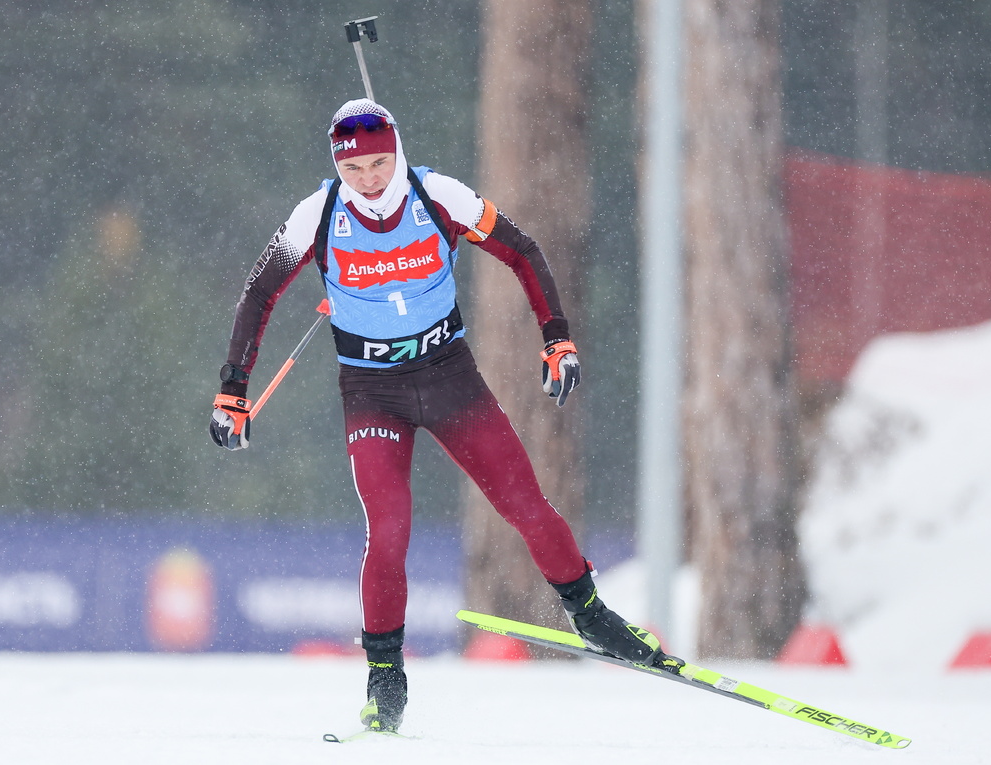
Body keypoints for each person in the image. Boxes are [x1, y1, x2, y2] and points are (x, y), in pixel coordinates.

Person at [210, 99, 660, 733]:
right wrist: (233, 388)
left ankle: (592, 616)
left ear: (396, 151)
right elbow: (260, 291)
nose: (368, 178)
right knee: (388, 528)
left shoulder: (437, 193)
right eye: (355, 167)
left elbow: (522, 251)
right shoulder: (318, 214)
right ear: (338, 165)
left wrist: (556, 338)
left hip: (448, 376)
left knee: (526, 504)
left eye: (379, 162)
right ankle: (385, 682)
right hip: (371, 390)